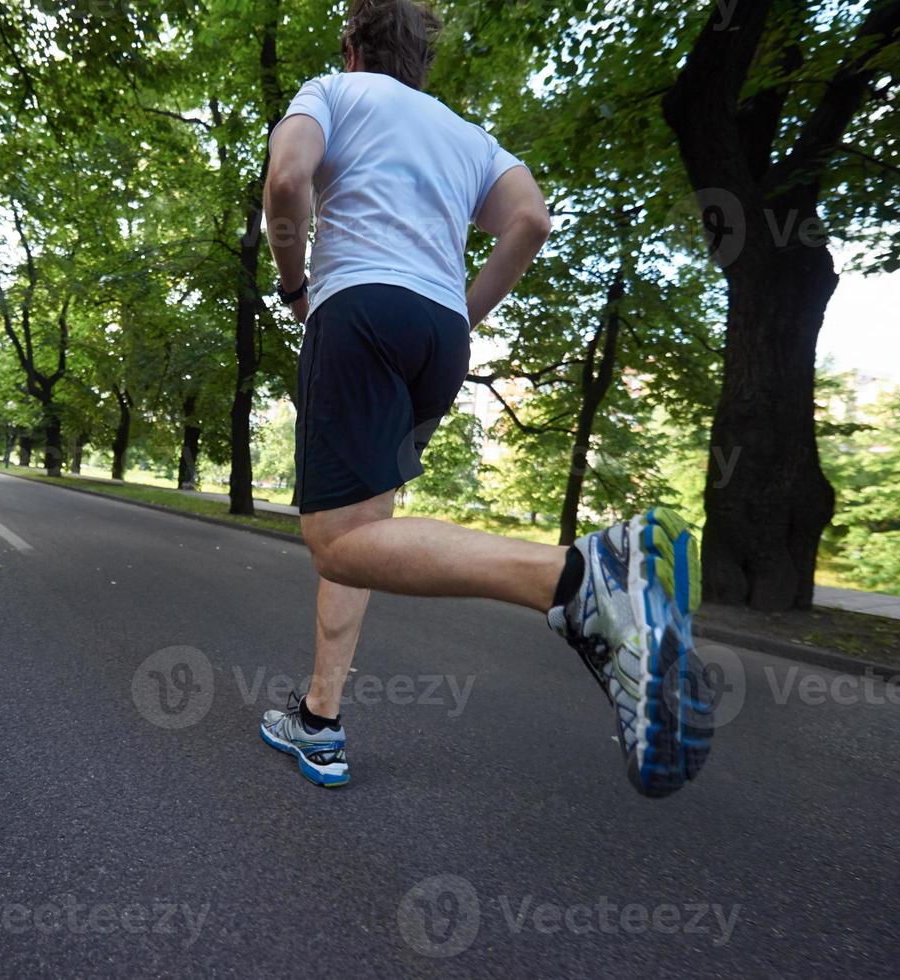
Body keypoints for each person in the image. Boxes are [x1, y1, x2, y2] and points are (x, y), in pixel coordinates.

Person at [258, 0, 712, 798]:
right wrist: (462, 314)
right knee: (366, 528)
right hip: (439, 338)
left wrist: (295, 285)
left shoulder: (330, 91)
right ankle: (320, 717)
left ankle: (581, 577)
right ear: (422, 62)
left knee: (335, 540)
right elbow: (530, 222)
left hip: (359, 311)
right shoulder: (471, 138)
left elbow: (288, 179)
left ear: (351, 46)